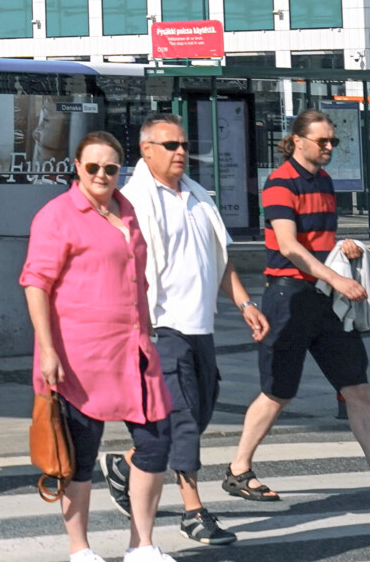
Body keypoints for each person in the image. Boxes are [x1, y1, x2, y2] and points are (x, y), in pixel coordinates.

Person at [223, 108, 370, 510]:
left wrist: (344, 249)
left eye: (333, 140)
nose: (331, 146)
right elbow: (288, 245)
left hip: (325, 299)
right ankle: (238, 469)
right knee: (277, 391)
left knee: (357, 389)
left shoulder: (325, 181)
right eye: (323, 141)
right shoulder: (280, 182)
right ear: (298, 141)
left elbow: (319, 242)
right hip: (289, 296)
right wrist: (336, 279)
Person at [103, 115, 269, 549]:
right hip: (160, 326)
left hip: (201, 325)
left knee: (199, 411)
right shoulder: (132, 200)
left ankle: (125, 465)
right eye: (170, 144)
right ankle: (193, 512)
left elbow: (220, 257)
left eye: (183, 144)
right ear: (147, 150)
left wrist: (245, 302)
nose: (181, 152)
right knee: (182, 422)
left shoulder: (197, 195)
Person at [21, 130, 175, 562]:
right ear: (77, 167)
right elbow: (35, 283)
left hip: (134, 350)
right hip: (77, 356)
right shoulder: (58, 215)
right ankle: (80, 549)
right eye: (93, 167)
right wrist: (47, 351)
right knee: (78, 457)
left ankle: (141, 544)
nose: (102, 174)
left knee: (156, 443)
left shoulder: (128, 211)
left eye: (111, 168)